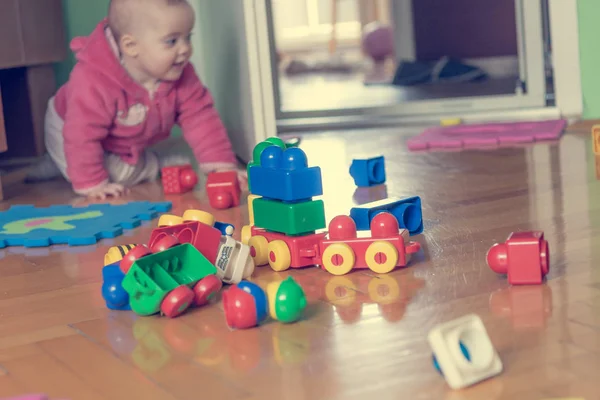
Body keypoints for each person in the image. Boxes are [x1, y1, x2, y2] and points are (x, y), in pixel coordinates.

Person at [29, 0, 245, 199]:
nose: (185, 49)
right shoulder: (93, 80)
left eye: (188, 37)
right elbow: (80, 134)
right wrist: (94, 185)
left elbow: (201, 117)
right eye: (172, 41)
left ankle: (58, 164)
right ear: (131, 46)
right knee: (115, 174)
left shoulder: (182, 74)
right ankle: (153, 165)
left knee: (114, 162)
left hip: (119, 142)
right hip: (66, 125)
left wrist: (222, 166)